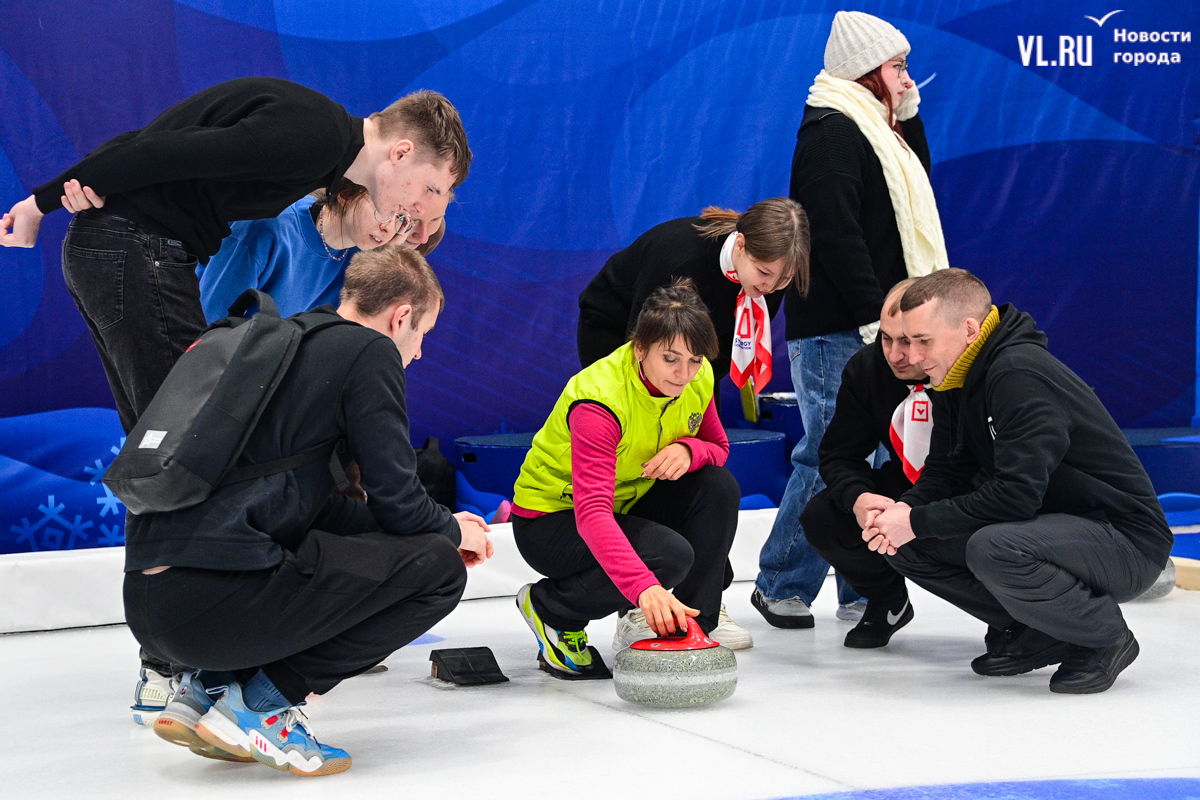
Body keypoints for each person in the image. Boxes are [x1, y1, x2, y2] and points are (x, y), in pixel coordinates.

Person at [0, 78, 470, 718]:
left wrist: (65, 191)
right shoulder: (316, 142)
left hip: (131, 249)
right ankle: (179, 661)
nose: (414, 216)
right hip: (138, 251)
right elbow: (164, 155)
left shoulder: (321, 156)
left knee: (168, 456)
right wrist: (42, 201)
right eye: (432, 191)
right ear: (402, 152)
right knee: (181, 454)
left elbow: (162, 140)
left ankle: (205, 655)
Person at [124, 246, 493, 774]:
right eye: (422, 336)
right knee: (438, 571)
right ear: (402, 316)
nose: (417, 355)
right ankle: (263, 705)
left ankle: (208, 689)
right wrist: (451, 534)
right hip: (212, 607)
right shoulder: (369, 351)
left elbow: (322, 513)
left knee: (353, 545)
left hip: (151, 607)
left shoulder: (282, 343)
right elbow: (399, 500)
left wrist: (436, 529)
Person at [864, 269, 1172, 694]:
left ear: (968, 330)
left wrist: (915, 520)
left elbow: (1016, 497)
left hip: (1125, 540)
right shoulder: (955, 374)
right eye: (906, 340)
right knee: (906, 542)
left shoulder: (1019, 374)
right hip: (1050, 528)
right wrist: (905, 511)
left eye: (923, 341)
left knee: (993, 546)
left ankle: (1104, 637)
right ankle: (1039, 629)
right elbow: (948, 469)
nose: (913, 356)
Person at [754, 10, 948, 629]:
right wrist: (880, 322)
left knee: (882, 456)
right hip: (839, 326)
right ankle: (780, 583)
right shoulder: (832, 132)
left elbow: (916, 187)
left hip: (877, 324)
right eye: (897, 67)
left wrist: (908, 116)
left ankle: (863, 585)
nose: (907, 78)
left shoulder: (878, 127)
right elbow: (835, 235)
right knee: (828, 453)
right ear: (866, 71)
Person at [511, 279, 747, 676]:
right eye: (670, 358)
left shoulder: (699, 376)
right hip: (552, 520)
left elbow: (718, 447)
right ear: (640, 348)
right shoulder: (600, 401)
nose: (684, 373)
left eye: (694, 359)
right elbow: (593, 514)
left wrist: (690, 450)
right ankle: (552, 607)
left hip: (628, 501)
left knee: (717, 488)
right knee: (669, 556)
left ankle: (693, 629)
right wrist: (646, 589)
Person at [800, 278, 927, 648]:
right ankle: (888, 599)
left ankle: (1008, 619)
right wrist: (858, 497)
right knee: (823, 515)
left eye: (908, 341)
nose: (895, 354)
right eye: (886, 338)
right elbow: (839, 454)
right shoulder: (867, 368)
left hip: (971, 492)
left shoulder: (977, 373)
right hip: (910, 482)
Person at [577, 198, 809, 389]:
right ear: (740, 245)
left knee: (697, 422)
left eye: (785, 279)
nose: (770, 287)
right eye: (763, 272)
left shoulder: (770, 278)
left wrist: (694, 387)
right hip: (614, 325)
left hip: (686, 350)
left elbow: (718, 352)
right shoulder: (679, 260)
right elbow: (639, 340)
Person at [196, 182, 449, 323]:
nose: (388, 227)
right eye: (384, 210)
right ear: (345, 194)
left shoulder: (362, 260)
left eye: (401, 218)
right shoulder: (266, 229)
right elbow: (204, 330)